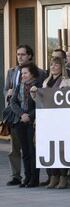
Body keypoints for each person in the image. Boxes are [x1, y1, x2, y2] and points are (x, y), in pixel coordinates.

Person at [31, 57, 70, 189]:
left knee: (61, 149)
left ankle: (63, 177)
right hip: (47, 120)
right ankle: (53, 176)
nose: (53, 67)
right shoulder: (45, 81)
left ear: (61, 67)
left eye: (56, 65)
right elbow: (41, 102)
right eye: (51, 65)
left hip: (61, 120)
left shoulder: (68, 82)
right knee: (50, 148)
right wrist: (35, 95)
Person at [4, 45, 34, 186]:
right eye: (18, 54)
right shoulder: (11, 71)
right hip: (14, 115)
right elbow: (6, 91)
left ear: (29, 55)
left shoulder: (37, 72)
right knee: (14, 148)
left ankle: (32, 176)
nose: (20, 57)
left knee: (29, 148)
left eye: (22, 54)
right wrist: (8, 94)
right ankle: (16, 176)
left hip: (30, 116)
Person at [10, 63, 42, 188]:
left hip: (32, 122)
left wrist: (30, 115)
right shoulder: (19, 86)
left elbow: (40, 104)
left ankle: (34, 178)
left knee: (32, 150)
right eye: (22, 73)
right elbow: (13, 102)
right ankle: (27, 177)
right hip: (20, 121)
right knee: (25, 151)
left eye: (25, 73)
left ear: (32, 74)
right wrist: (22, 114)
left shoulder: (38, 86)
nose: (23, 75)